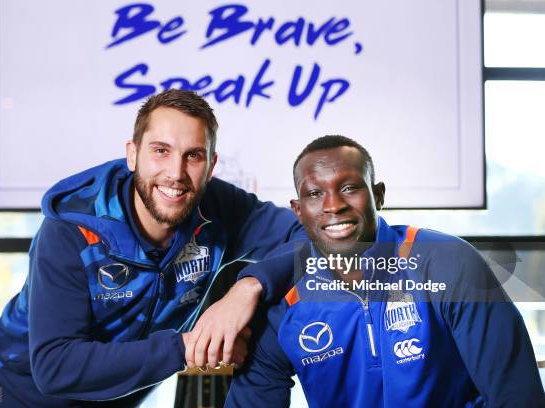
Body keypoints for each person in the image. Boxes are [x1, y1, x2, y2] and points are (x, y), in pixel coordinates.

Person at [0, 89, 305, 407]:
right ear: (132, 154)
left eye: (193, 156)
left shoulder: (217, 206)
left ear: (212, 165)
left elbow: (314, 236)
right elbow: (56, 366)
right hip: (12, 396)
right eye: (161, 151)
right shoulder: (71, 232)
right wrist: (190, 348)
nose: (176, 173)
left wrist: (250, 286)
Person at [225, 135, 545, 407]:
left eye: (349, 187)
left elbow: (517, 396)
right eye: (315, 193)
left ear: (378, 195)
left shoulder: (448, 263)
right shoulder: (286, 303)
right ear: (298, 211)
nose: (334, 205)